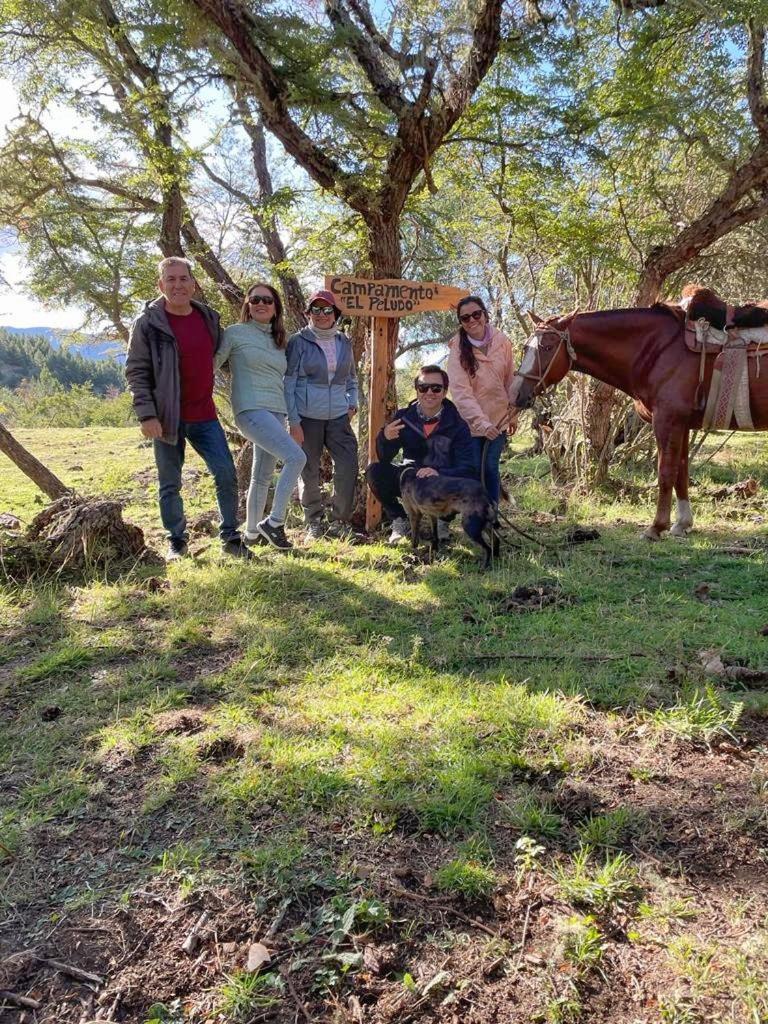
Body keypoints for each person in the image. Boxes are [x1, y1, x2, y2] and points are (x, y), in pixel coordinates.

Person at [125, 256, 251, 561]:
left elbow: (229, 358)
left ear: (193, 284)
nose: (178, 284)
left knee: (225, 474)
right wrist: (146, 414)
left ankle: (231, 538)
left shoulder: (208, 318)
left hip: (205, 415)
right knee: (170, 482)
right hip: (167, 418)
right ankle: (177, 542)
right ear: (161, 284)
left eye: (183, 279)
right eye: (171, 279)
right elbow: (136, 371)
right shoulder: (148, 324)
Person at [215, 282, 306, 551]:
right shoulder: (234, 333)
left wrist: (292, 419)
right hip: (251, 409)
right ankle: (275, 523)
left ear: (276, 307)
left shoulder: (279, 340)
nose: (261, 304)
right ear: (247, 305)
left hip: (276, 411)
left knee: (261, 476)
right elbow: (211, 364)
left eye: (267, 300)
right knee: (296, 457)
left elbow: (286, 383)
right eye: (255, 300)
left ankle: (252, 534)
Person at [366, 364, 476, 545]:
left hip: (442, 480)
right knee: (375, 471)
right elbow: (384, 457)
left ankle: (443, 522)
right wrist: (385, 437)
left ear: (445, 391)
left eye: (436, 388)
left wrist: (438, 471)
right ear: (417, 390)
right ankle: (400, 521)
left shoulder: (458, 424)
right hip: (411, 478)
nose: (429, 392)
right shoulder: (403, 417)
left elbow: (467, 466)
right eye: (423, 387)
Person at [284, 289, 359, 540]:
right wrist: (293, 420)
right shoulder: (298, 341)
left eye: (327, 309)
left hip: (339, 416)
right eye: (316, 309)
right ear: (308, 313)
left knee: (348, 465)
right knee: (308, 469)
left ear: (335, 313)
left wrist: (352, 405)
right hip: (307, 416)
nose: (322, 314)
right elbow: (289, 382)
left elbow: (351, 379)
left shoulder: (344, 342)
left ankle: (340, 521)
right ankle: (314, 521)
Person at [446, 295, 518, 508]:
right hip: (470, 424)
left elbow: (510, 379)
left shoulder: (502, 341)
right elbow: (460, 392)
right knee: (474, 470)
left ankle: (492, 518)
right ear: (461, 322)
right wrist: (481, 423)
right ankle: (474, 516)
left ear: (485, 315)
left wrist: (512, 415)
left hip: (499, 420)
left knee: (491, 468)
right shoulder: (457, 348)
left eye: (476, 314)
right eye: (465, 318)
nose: (472, 320)